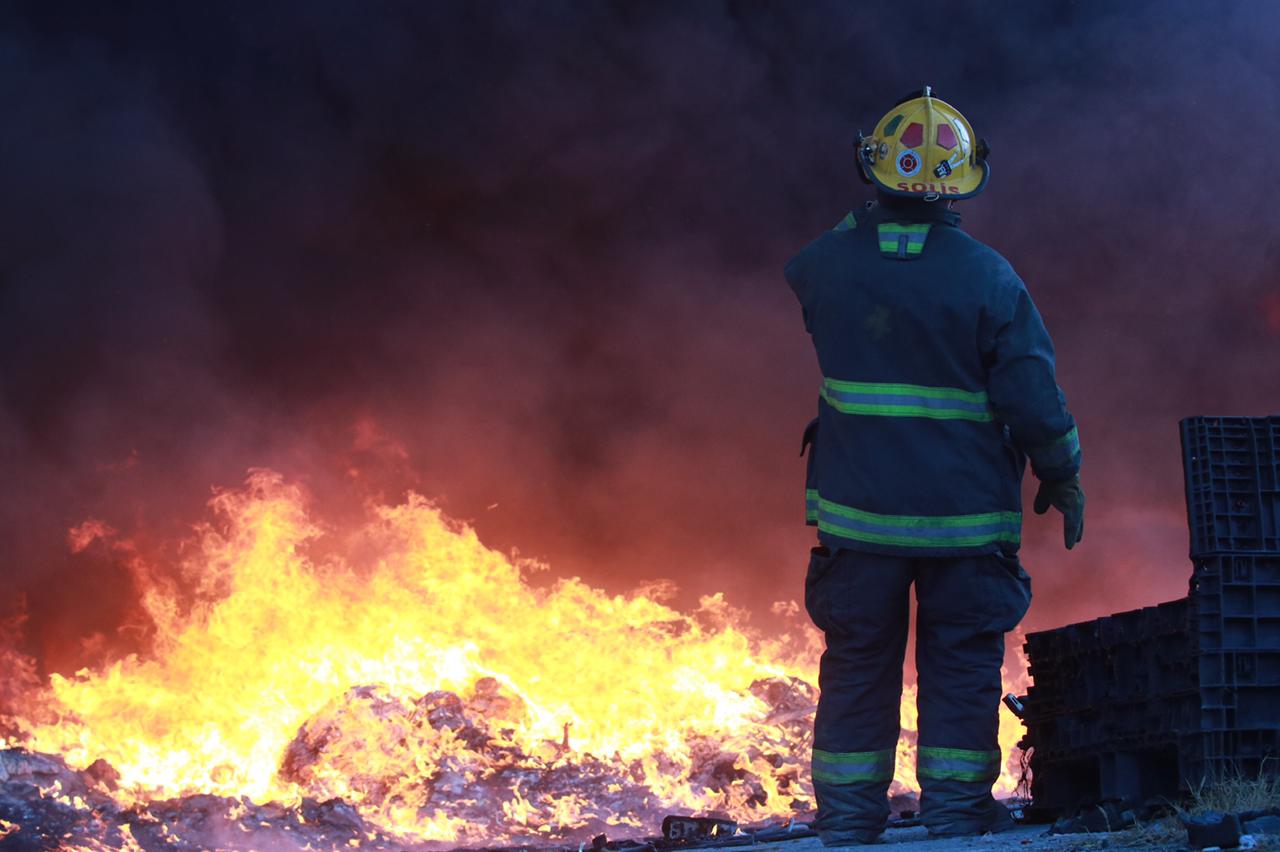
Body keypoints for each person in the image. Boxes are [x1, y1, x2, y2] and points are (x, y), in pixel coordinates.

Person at [785, 87, 1084, 844]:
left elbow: (817, 262)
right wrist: (1062, 470)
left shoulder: (826, 265)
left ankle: (850, 822)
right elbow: (1032, 392)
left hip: (858, 516)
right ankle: (953, 814)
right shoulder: (989, 277)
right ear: (964, 180)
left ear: (871, 170)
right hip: (964, 520)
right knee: (960, 664)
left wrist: (867, 219)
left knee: (858, 666)